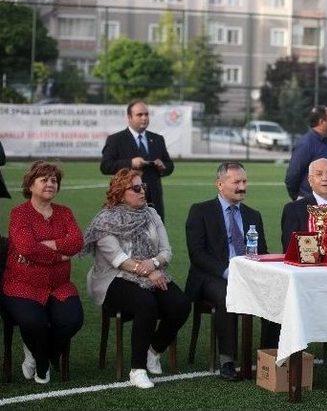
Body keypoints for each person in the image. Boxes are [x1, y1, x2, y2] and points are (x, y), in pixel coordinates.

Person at [83, 168, 190, 389]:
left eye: (144, 187)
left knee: (180, 303)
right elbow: (119, 260)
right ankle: (137, 369)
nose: (143, 191)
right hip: (112, 279)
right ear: (121, 193)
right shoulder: (105, 221)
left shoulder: (151, 214)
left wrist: (155, 264)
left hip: (150, 272)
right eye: (136, 188)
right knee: (146, 303)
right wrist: (149, 270)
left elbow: (166, 251)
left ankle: (154, 350)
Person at [2, 161, 84, 384]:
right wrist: (60, 253)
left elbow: (77, 242)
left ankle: (41, 354)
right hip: (22, 285)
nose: (50, 184)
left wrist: (46, 245)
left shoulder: (64, 213)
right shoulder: (19, 213)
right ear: (30, 185)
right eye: (44, 180)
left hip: (59, 285)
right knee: (33, 322)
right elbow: (26, 247)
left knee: (73, 320)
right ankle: (41, 362)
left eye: (54, 180)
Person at [185, 162, 268, 381]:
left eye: (244, 181)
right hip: (211, 277)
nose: (242, 186)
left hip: (249, 274)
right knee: (228, 293)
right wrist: (227, 272)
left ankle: (270, 354)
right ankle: (227, 360)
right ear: (220, 184)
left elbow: (263, 252)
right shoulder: (200, 211)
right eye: (236, 182)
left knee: (277, 290)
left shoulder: (254, 215)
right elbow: (197, 254)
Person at [100, 100, 174, 221]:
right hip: (126, 201)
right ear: (129, 117)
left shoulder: (157, 139)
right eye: (139, 115)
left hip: (154, 201)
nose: (144, 118)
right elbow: (105, 166)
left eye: (146, 114)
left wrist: (163, 167)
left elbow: (170, 165)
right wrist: (130, 163)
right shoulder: (116, 139)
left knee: (155, 236)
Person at [284, 105, 327, 201]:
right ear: (321, 122)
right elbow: (292, 176)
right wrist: (300, 198)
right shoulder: (306, 144)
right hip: (311, 204)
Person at [281, 158, 327, 251]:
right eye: (319, 174)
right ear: (310, 180)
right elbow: (289, 250)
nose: (325, 178)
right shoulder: (294, 210)